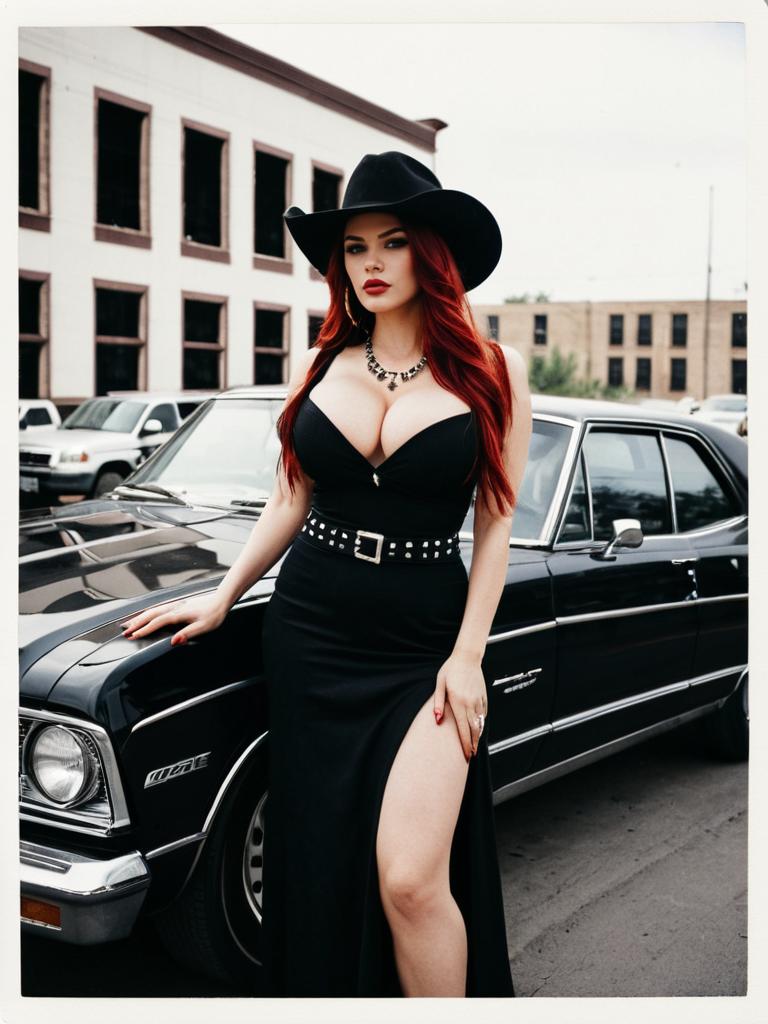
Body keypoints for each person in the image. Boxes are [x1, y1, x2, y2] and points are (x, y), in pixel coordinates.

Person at [119, 150, 532, 997]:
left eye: (392, 242)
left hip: (423, 644)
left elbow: (496, 524)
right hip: (312, 632)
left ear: (431, 252)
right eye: (353, 248)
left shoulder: (496, 370)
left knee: (411, 879)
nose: (371, 264)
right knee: (321, 857)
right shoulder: (319, 364)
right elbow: (289, 499)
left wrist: (468, 658)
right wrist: (222, 596)